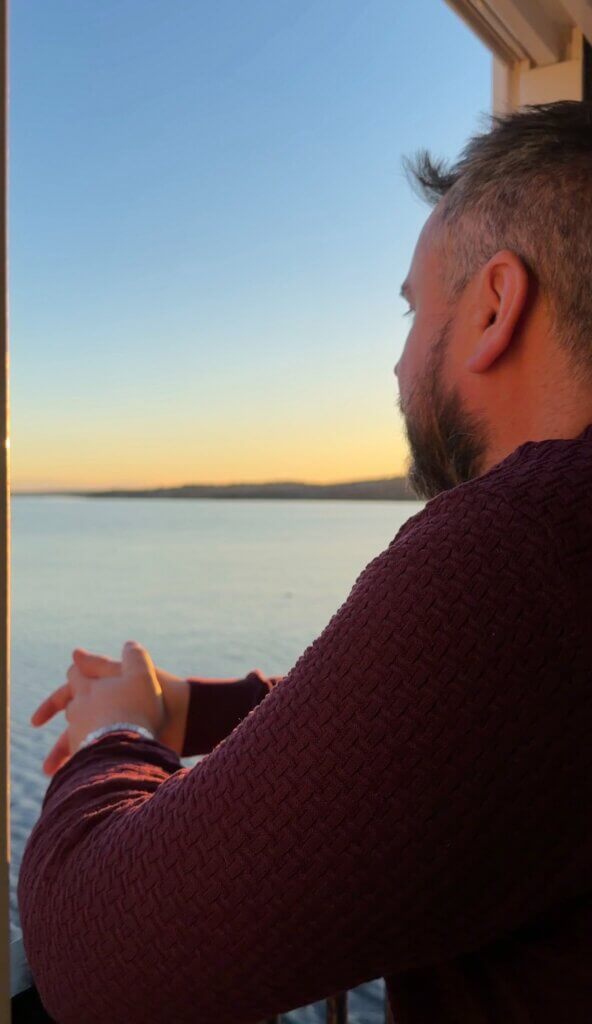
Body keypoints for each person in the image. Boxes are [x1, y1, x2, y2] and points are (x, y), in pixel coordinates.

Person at [18, 100, 592, 1023]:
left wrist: (114, 736)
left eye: (414, 312)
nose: (399, 366)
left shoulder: (528, 546)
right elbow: (446, 715)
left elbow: (95, 962)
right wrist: (192, 707)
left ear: (494, 306)